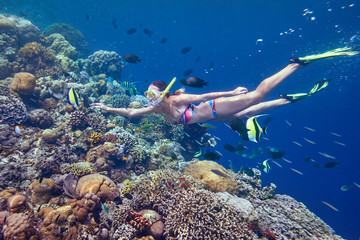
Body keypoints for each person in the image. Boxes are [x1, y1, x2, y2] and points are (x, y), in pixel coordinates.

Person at [91, 47, 359, 124]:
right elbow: (130, 113)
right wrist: (107, 108)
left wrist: (231, 92)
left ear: (163, 92)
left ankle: (295, 64)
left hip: (215, 107)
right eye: (147, 94)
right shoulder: (156, 110)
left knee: (256, 95)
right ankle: (286, 99)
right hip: (220, 117)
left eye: (152, 93)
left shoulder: (175, 101)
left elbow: (206, 94)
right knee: (246, 114)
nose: (148, 98)